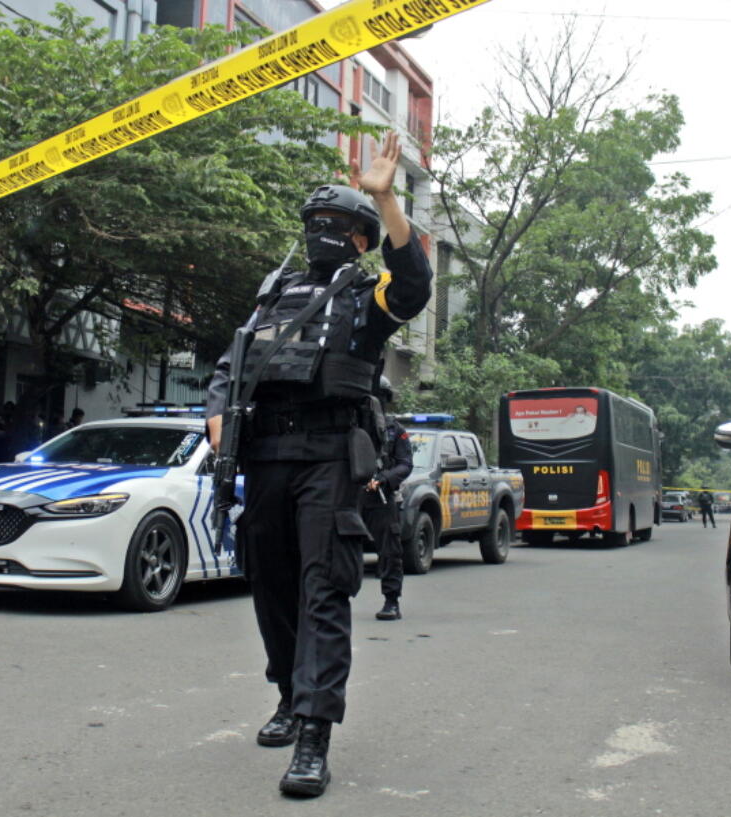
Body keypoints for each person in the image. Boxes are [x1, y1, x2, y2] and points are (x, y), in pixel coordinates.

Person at [206, 132, 432, 799]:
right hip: (265, 457)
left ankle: (313, 734)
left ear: (362, 240)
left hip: (329, 458)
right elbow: (227, 370)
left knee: (323, 591)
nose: (325, 235)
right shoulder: (271, 298)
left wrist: (386, 199)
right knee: (271, 586)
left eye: (340, 226)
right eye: (316, 225)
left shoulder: (365, 302)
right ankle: (286, 692)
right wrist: (218, 420)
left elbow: (414, 285)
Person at [361, 376, 412, 621]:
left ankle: (391, 601)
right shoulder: (351, 425)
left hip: (379, 497)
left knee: (390, 550)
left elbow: (405, 465)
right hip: (349, 494)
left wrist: (383, 479)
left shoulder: (394, 429)